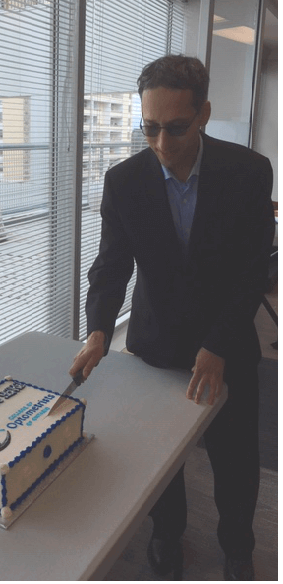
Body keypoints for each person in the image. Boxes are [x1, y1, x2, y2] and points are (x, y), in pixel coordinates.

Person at [69, 55, 275, 580]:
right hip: (157, 344)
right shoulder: (123, 182)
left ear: (203, 113)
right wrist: (97, 331)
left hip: (226, 345)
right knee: (162, 461)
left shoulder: (250, 172)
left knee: (234, 462)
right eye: (150, 128)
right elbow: (111, 267)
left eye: (176, 128)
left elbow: (255, 272)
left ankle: (236, 544)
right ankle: (166, 536)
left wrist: (219, 343)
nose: (161, 143)